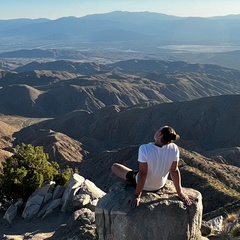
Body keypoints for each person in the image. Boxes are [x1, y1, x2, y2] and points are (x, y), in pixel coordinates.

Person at [111, 125, 193, 208]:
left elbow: (143, 174)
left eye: (158, 130)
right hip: (160, 185)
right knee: (135, 172)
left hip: (144, 185)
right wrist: (180, 193)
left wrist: (137, 195)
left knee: (115, 166)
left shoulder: (145, 149)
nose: (156, 131)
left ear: (160, 135)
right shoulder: (174, 148)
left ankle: (132, 175)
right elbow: (174, 171)